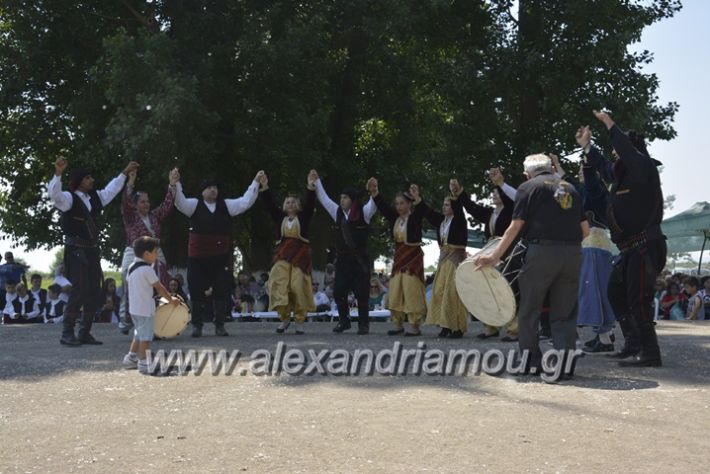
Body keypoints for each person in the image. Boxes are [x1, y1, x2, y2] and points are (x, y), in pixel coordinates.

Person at [475, 154, 589, 377]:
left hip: (541, 252)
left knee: (529, 310)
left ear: (527, 174)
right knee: (564, 313)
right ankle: (566, 367)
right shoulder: (570, 189)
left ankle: (531, 363)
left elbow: (514, 228)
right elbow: (585, 230)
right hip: (573, 253)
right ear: (549, 168)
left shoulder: (528, 187)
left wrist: (494, 256)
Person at [590, 110, 667, 367]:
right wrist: (588, 147)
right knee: (616, 292)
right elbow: (604, 168)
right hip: (630, 249)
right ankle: (633, 343)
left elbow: (626, 151)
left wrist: (610, 124)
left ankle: (651, 352)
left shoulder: (644, 168)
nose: (615, 155)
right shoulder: (622, 175)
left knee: (639, 299)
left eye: (619, 151)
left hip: (646, 246)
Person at [47, 157, 139, 346]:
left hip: (91, 250)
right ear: (80, 180)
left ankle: (84, 333)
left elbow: (112, 189)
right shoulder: (68, 198)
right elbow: (54, 195)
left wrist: (124, 172)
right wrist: (58, 173)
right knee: (79, 289)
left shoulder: (96, 198)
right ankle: (67, 332)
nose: (92, 180)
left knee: (94, 291)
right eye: (88, 178)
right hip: (75, 250)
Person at [174, 170, 264, 337]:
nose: (213, 190)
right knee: (195, 290)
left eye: (215, 187)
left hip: (220, 258)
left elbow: (245, 202)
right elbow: (179, 202)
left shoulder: (226, 205)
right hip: (197, 259)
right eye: (209, 187)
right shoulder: (193, 205)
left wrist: (256, 182)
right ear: (202, 191)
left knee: (222, 290)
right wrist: (176, 184)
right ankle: (197, 326)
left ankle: (220, 325)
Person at [553, 145, 617, 354]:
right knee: (595, 290)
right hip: (592, 247)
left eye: (584, 170)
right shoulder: (588, 193)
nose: (581, 173)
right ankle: (603, 336)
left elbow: (583, 184)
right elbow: (570, 185)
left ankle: (605, 337)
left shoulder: (596, 191)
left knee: (596, 291)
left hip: (595, 247)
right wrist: (557, 167)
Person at [313, 170, 377, 334]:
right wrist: (317, 181)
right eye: (341, 198)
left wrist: (373, 189)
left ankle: (363, 324)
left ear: (353, 199)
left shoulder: (364, 212)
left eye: (345, 197)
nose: (341, 200)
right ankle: (344, 321)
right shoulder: (337, 212)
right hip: (342, 262)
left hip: (359, 261)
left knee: (362, 294)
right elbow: (324, 199)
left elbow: (374, 203)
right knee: (338, 292)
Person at [459, 168, 520, 341]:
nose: (494, 195)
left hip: (507, 250)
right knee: (486, 287)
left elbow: (512, 202)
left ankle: (514, 329)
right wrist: (461, 193)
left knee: (508, 287)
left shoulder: (511, 210)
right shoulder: (489, 214)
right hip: (489, 250)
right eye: (493, 193)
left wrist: (499, 184)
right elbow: (471, 208)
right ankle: (490, 326)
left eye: (497, 193)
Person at [118, 167, 178, 334]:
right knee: (127, 279)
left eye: (148, 201)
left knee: (160, 283)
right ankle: (125, 317)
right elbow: (125, 202)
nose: (147, 204)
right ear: (135, 204)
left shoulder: (154, 216)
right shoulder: (129, 216)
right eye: (143, 201)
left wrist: (172, 184)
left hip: (155, 253)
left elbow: (167, 205)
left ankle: (158, 322)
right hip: (134, 252)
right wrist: (130, 182)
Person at [257, 171, 317, 334]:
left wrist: (311, 187)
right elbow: (269, 205)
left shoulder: (303, 218)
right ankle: (284, 318)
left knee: (297, 286)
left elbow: (311, 204)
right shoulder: (280, 218)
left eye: (293, 202)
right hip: (283, 255)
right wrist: (265, 187)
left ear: (297, 205)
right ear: (284, 205)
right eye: (288, 202)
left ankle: (299, 320)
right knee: (277, 283)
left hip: (300, 256)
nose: (290, 204)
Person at [371, 180, 427, 336]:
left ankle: (415, 326)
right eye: (397, 204)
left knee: (411, 290)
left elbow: (423, 210)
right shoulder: (395, 218)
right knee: (395, 291)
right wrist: (375, 192)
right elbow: (383, 207)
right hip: (399, 258)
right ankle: (398, 323)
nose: (399, 206)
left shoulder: (415, 218)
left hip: (413, 258)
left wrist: (417, 197)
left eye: (402, 203)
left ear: (409, 204)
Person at [121, 237, 180, 376]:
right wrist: (171, 300)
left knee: (138, 333)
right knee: (146, 337)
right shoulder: (147, 270)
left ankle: (131, 358)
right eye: (155, 252)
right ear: (147, 254)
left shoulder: (131, 267)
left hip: (134, 309)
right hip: (145, 309)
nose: (156, 255)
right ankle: (144, 363)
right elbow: (159, 288)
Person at [420, 178, 469, 338]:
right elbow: (428, 212)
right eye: (444, 204)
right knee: (439, 292)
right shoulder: (442, 221)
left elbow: (459, 211)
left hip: (455, 261)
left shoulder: (459, 221)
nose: (444, 206)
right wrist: (417, 199)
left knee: (452, 293)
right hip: (443, 262)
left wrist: (455, 194)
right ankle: (445, 325)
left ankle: (457, 327)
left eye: (447, 204)